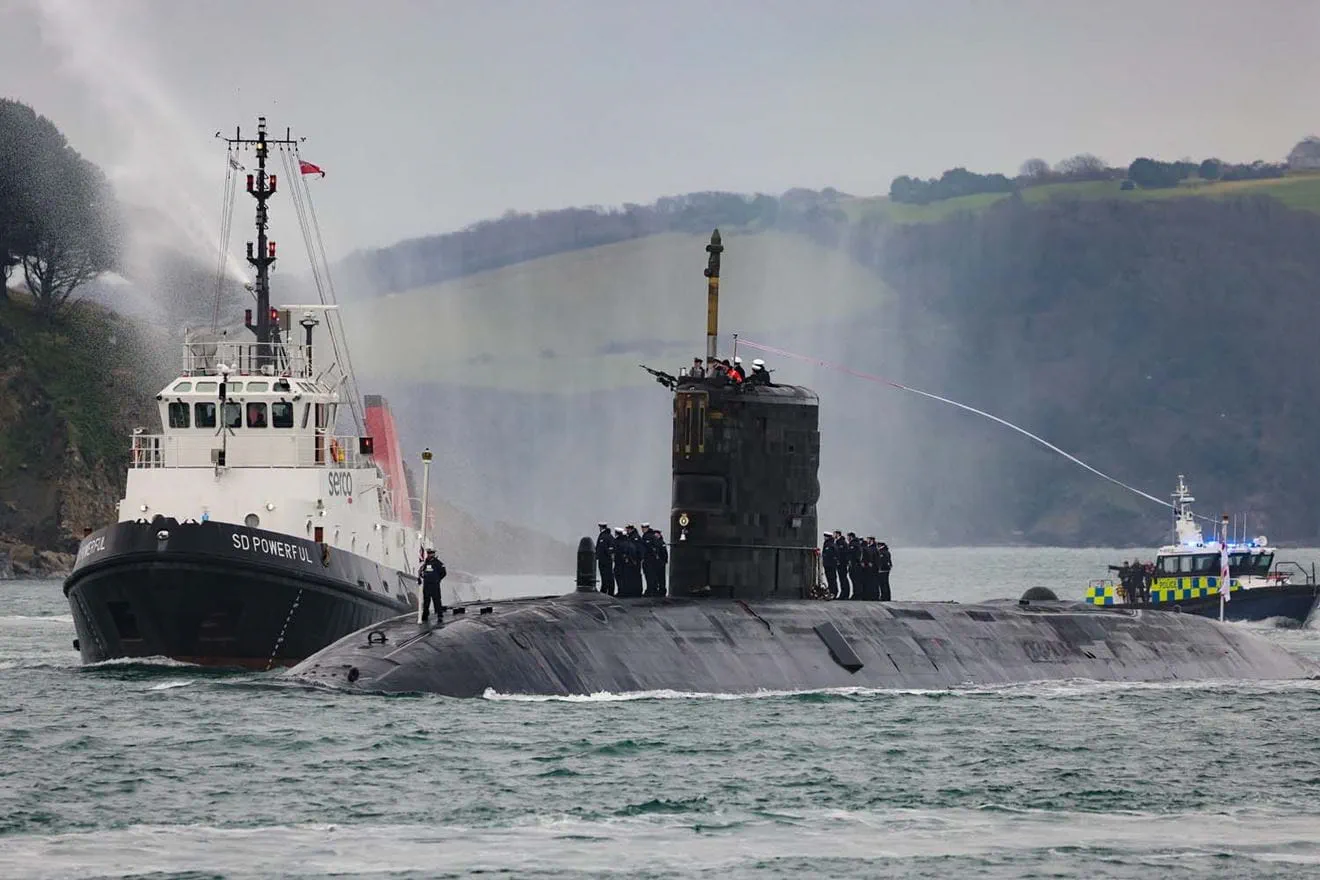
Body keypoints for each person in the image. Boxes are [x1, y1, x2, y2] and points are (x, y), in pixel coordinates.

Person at [417, 546, 447, 622]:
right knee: (426, 601)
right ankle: (425, 615)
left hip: (434, 585)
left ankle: (439, 615)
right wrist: (421, 576)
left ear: (434, 554)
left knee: (436, 600)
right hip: (427, 585)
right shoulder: (426, 563)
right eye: (429, 553)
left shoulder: (438, 563)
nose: (430, 555)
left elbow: (443, 573)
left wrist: (437, 579)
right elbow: (421, 572)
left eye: (431, 553)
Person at [595, 522, 615, 595]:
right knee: (606, 577)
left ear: (601, 527)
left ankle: (607, 591)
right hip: (604, 560)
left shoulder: (606, 536)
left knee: (607, 576)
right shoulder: (606, 536)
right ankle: (607, 591)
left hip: (605, 560)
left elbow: (608, 548)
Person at [836, 530, 854, 599]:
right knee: (842, 579)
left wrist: (841, 561)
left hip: (842, 564)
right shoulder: (839, 542)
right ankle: (844, 593)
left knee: (843, 579)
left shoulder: (842, 543)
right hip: (840, 564)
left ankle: (845, 594)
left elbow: (844, 554)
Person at [821, 532, 839, 598]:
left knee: (832, 579)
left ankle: (833, 592)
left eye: (825, 537)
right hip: (828, 564)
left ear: (827, 537)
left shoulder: (830, 545)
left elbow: (831, 555)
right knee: (830, 579)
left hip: (830, 565)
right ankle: (832, 592)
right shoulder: (829, 544)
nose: (824, 538)